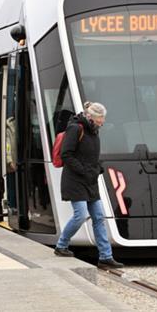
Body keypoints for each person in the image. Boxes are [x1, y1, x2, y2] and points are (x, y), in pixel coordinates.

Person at [54, 102, 123, 269]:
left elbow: (90, 154)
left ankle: (105, 256)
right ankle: (61, 245)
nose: (103, 122)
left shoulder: (94, 130)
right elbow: (67, 154)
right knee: (81, 215)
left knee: (98, 217)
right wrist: (84, 170)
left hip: (90, 180)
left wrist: (98, 168)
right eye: (101, 119)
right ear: (91, 117)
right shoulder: (76, 129)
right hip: (75, 180)